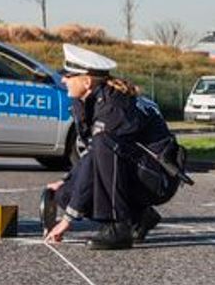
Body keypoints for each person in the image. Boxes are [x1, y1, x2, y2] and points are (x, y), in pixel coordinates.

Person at [44, 44, 184, 250]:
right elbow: (91, 156)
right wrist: (66, 181)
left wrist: (67, 220)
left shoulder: (114, 106)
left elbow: (98, 156)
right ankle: (139, 217)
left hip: (158, 178)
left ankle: (118, 227)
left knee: (103, 144)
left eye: (69, 75)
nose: (63, 80)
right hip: (138, 170)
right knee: (65, 194)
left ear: (87, 81)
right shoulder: (87, 100)